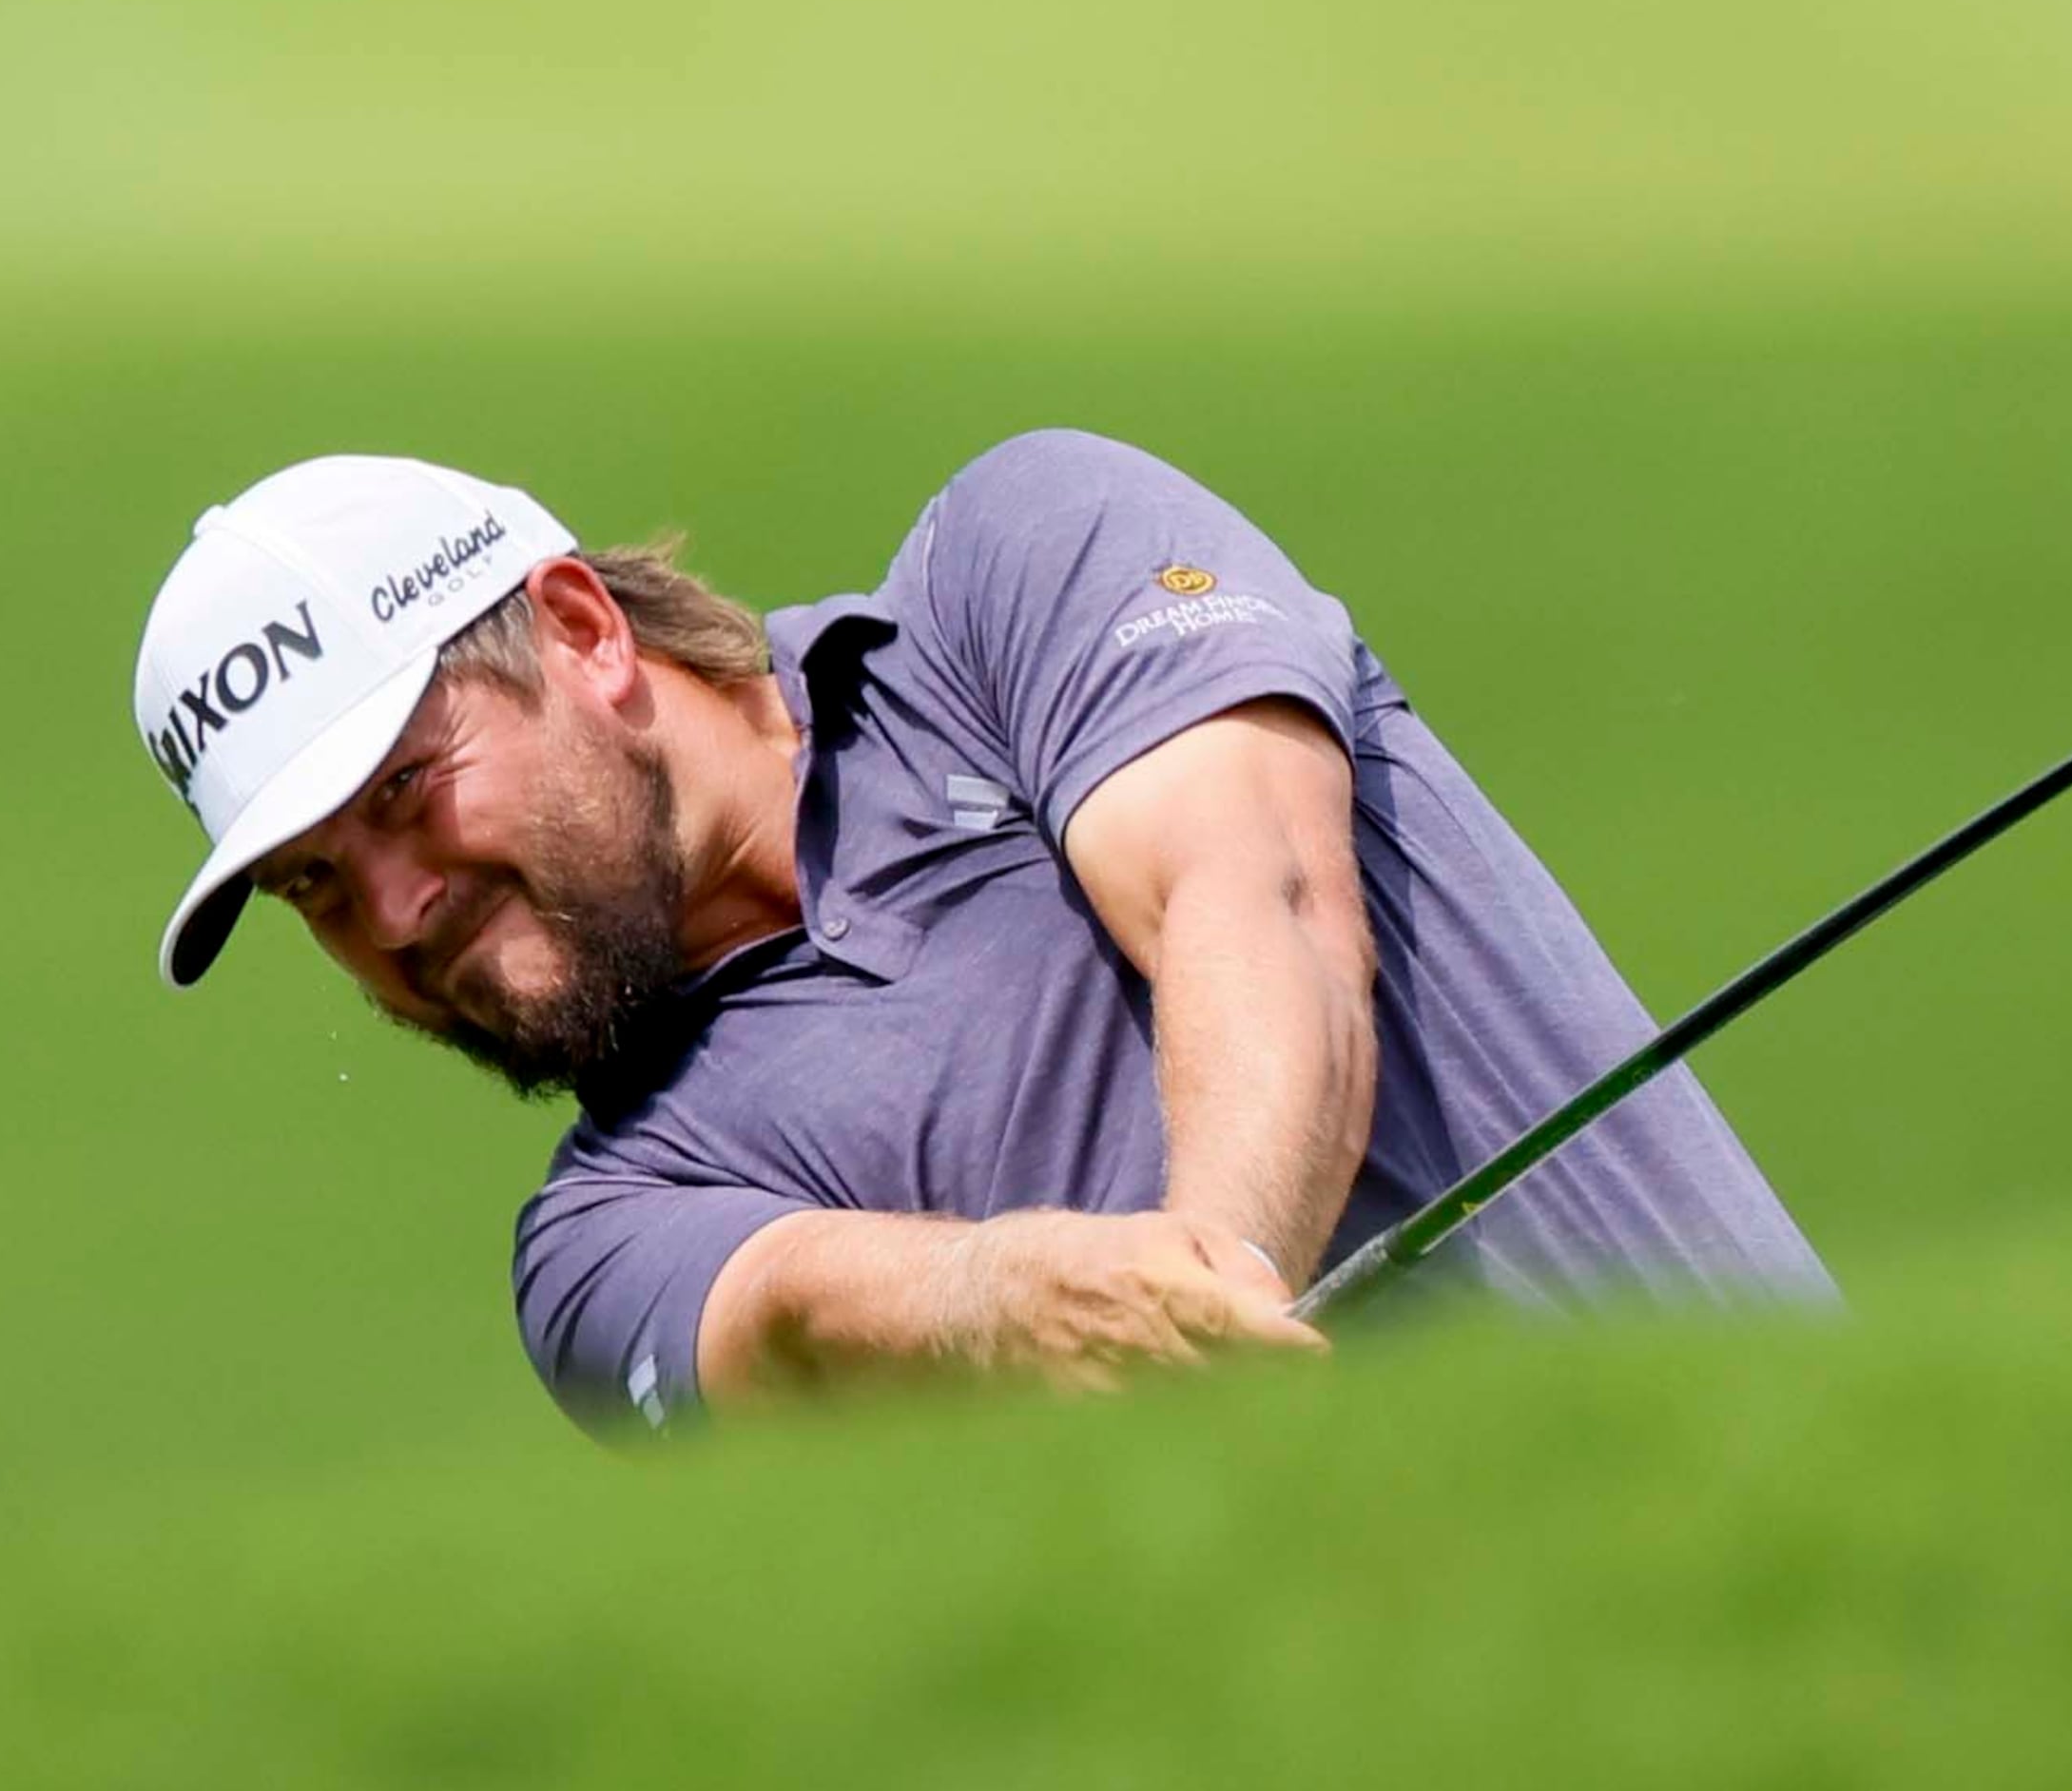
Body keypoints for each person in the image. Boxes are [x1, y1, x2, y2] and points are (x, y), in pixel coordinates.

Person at [131, 432, 1831, 1437]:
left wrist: (1205, 1279)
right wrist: (1002, 1299)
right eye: (316, 888)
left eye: (410, 791)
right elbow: (800, 1319)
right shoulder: (601, 1241)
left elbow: (1256, 897)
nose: (397, 910)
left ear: (582, 632)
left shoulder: (1017, 570)